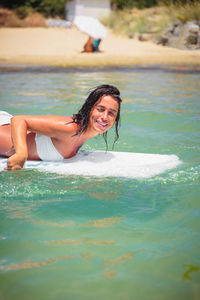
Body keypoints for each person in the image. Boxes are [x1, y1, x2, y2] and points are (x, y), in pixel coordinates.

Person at [0, 84, 122, 171]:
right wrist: (21, 153)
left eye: (111, 113)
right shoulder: (70, 128)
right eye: (100, 109)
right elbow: (19, 120)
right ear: (90, 108)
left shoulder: (85, 133)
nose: (105, 117)